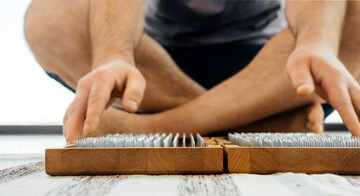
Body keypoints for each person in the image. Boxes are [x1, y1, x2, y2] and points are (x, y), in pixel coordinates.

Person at [24, 0, 360, 144]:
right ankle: (254, 128)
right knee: (50, 16)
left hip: (279, 69)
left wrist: (317, 43)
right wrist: (114, 56)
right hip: (154, 66)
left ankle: (147, 130)